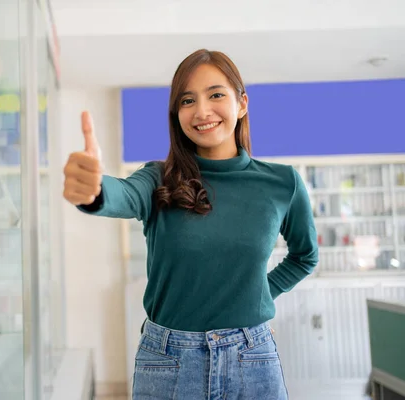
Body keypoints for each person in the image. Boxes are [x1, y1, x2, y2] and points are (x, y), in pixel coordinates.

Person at [63, 49, 319, 400]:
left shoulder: (282, 183)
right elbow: (120, 194)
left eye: (216, 94)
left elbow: (305, 256)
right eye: (187, 100)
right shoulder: (158, 178)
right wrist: (93, 190)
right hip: (168, 361)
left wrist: (259, 292)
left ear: (241, 103)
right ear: (176, 113)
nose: (201, 111)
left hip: (252, 358)